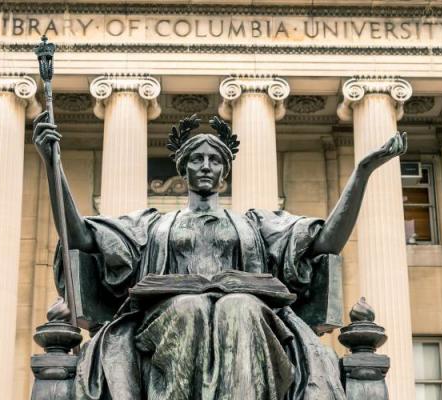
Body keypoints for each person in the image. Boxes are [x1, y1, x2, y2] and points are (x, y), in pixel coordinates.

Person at [33, 114, 406, 400]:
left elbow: (325, 242)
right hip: (167, 316)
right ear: (184, 168)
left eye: (214, 159)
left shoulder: (256, 225)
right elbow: (80, 235)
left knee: (239, 307)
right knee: (187, 308)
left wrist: (361, 173)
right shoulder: (152, 225)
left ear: (225, 171)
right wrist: (53, 166)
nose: (206, 165)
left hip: (247, 314)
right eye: (197, 159)